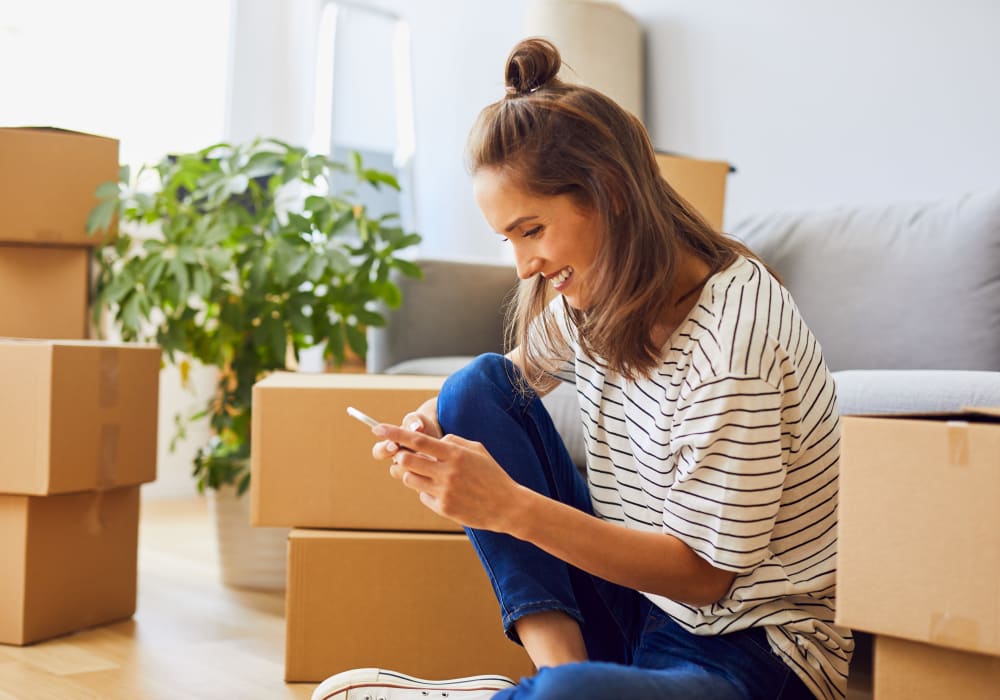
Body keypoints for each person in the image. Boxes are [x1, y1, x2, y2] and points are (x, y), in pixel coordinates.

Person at [312, 38, 853, 700]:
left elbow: (707, 579)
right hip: (640, 613)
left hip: (751, 652)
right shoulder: (594, 294)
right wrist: (432, 426)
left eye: (531, 230)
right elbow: (509, 379)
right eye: (509, 238)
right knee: (471, 387)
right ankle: (557, 675)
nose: (523, 266)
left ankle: (550, 693)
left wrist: (506, 505)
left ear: (611, 194)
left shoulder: (733, 343)